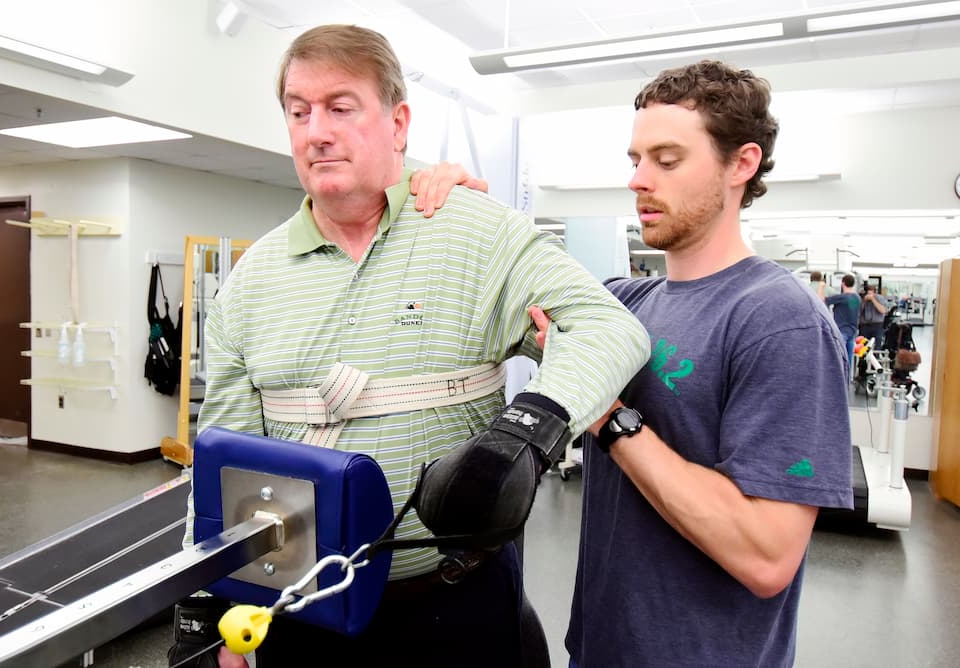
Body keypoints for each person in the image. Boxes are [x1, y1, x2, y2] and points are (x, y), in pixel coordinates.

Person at [180, 24, 650, 668]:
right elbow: (227, 453)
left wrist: (525, 432)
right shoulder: (251, 281)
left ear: (398, 124)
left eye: (341, 107)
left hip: (456, 601)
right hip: (300, 604)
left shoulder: (479, 234)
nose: (316, 129)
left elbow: (608, 328)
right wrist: (209, 608)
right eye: (298, 111)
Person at [443, 59, 853, 667]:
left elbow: (767, 557)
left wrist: (610, 417)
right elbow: (503, 299)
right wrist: (457, 210)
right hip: (600, 648)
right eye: (635, 160)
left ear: (741, 164)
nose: (639, 180)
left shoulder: (779, 319)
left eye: (666, 160)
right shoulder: (623, 304)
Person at [826, 274, 862, 380]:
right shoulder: (856, 298)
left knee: (837, 356)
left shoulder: (842, 297)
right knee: (849, 357)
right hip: (853, 331)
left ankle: (837, 380)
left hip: (842, 331)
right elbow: (852, 312)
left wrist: (822, 286)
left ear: (843, 283)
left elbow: (822, 300)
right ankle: (847, 380)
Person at [859, 283, 889, 349]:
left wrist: (873, 299)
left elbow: (883, 310)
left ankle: (876, 356)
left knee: (877, 345)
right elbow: (857, 311)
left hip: (877, 325)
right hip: (864, 325)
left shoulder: (880, 298)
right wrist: (864, 301)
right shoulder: (860, 299)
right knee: (862, 347)